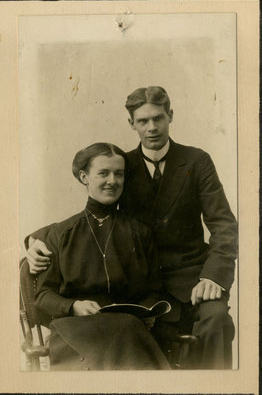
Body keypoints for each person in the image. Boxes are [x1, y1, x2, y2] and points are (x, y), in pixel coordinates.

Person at [25, 86, 237, 369]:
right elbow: (88, 216)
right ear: (131, 124)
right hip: (141, 288)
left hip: (194, 280)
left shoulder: (197, 161)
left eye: (158, 118)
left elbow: (224, 225)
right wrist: (33, 242)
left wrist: (213, 276)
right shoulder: (122, 166)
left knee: (216, 321)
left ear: (170, 116)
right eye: (143, 121)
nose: (151, 127)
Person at [29, 142, 171, 371]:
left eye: (119, 174)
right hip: (75, 329)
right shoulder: (59, 233)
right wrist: (73, 306)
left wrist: (148, 311)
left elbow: (154, 288)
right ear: (85, 177)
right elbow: (43, 295)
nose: (112, 181)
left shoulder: (140, 232)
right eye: (103, 173)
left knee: (127, 328)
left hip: (128, 328)